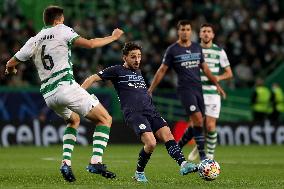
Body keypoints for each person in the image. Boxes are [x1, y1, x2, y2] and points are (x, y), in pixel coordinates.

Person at [5, 5, 124, 182]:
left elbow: (10, 63)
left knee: (73, 120)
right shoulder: (62, 30)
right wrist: (113, 37)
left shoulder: (34, 39)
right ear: (58, 20)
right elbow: (90, 44)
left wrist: (11, 71)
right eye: (63, 19)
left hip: (48, 95)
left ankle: (66, 162)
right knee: (105, 119)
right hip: (65, 86)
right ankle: (96, 161)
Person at [81, 42, 198, 182]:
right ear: (124, 57)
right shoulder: (116, 70)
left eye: (139, 56)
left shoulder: (139, 72)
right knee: (151, 143)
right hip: (134, 113)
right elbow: (93, 78)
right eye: (133, 57)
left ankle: (183, 164)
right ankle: (139, 173)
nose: (137, 60)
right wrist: (79, 93)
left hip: (150, 111)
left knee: (168, 135)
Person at [148, 20, 226, 161]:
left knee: (198, 122)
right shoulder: (172, 50)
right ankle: (203, 157)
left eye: (188, 29)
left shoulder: (197, 47)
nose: (185, 31)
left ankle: (180, 145)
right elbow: (162, 70)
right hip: (185, 90)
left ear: (191, 32)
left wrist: (217, 85)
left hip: (198, 89)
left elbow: (206, 69)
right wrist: (151, 89)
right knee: (197, 119)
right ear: (178, 32)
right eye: (182, 29)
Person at [183, 23, 233, 161]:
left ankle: (209, 157)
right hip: (196, 92)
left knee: (210, 126)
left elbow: (229, 73)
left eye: (208, 31)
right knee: (197, 124)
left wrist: (218, 78)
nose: (206, 33)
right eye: (203, 31)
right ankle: (199, 146)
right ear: (199, 34)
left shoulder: (219, 52)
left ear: (213, 35)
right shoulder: (192, 50)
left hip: (212, 93)